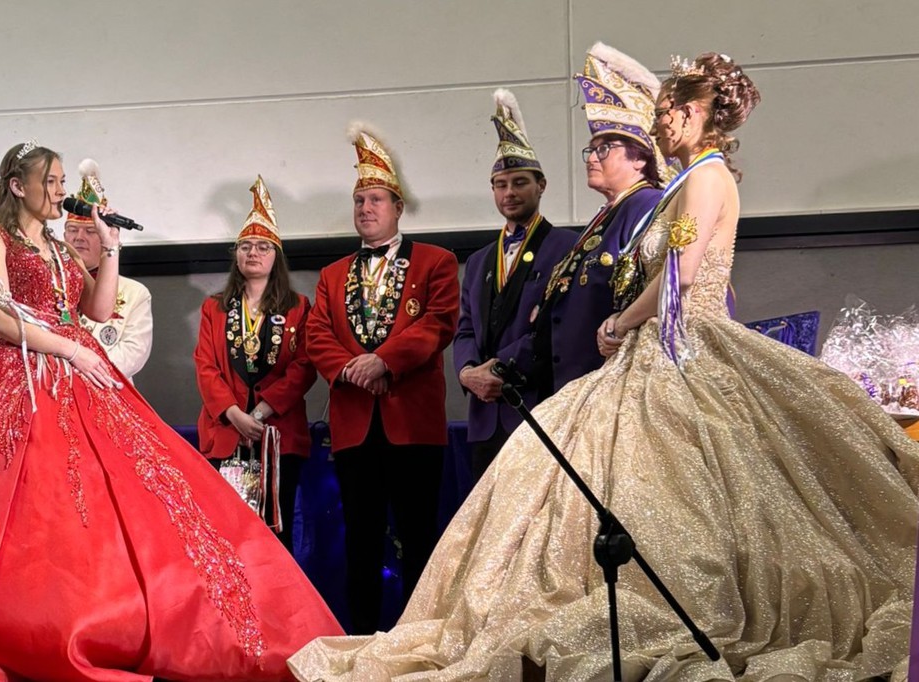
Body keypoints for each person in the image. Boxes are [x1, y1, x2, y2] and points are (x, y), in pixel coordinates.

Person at [290, 52, 919, 680]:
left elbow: (681, 274)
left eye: (667, 111)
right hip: (654, 346)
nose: (661, 121)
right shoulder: (688, 180)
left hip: (683, 343)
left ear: (693, 114)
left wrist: (621, 321)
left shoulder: (705, 178)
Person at [0, 142, 341, 680]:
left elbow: (98, 308)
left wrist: (110, 249)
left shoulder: (59, 247)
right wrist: (71, 350)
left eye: (62, 181)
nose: (60, 192)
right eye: (51, 181)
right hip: (21, 373)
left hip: (77, 368)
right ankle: (18, 621)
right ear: (17, 185)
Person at [305, 124, 459, 635]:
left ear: (398, 208)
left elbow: (437, 323)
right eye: (359, 201)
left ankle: (421, 637)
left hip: (413, 423)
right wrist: (351, 368)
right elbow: (317, 334)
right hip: (354, 424)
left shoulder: (437, 261)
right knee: (361, 539)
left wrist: (384, 361)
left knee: (418, 536)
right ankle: (362, 640)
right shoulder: (331, 274)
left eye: (375, 200)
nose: (365, 208)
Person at [454, 89, 579, 480]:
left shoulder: (568, 247)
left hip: (537, 408)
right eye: (501, 184)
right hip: (483, 415)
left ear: (541, 185)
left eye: (520, 182)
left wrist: (498, 369)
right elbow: (465, 330)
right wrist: (467, 373)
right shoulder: (478, 261)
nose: (509, 192)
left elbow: (558, 328)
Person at [530, 43, 666, 401]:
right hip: (577, 384)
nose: (591, 158)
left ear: (639, 159)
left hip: (615, 386)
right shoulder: (608, 213)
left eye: (604, 148)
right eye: (591, 149)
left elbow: (660, 284)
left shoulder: (647, 205)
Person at [195, 175, 315, 553]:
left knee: (275, 534)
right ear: (236, 255)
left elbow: (304, 366)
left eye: (263, 246)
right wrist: (234, 414)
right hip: (225, 433)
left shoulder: (298, 307)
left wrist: (260, 413)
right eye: (245, 246)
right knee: (227, 536)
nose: (253, 253)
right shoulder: (215, 307)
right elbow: (206, 366)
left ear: (276, 256)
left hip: (277, 435)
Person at [62, 158, 152, 379]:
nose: (79, 238)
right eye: (72, 230)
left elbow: (133, 353)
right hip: (56, 383)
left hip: (109, 387)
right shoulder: (53, 281)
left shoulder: (134, 293)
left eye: (90, 231)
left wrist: (84, 371)